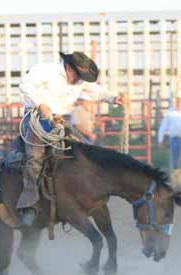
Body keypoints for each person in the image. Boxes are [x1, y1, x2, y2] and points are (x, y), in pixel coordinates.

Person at [17, 51, 124, 226]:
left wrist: (113, 98)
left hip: (58, 121)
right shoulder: (47, 70)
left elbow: (96, 91)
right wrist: (41, 104)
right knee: (35, 157)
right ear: (69, 68)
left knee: (86, 150)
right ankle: (28, 205)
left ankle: (84, 195)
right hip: (36, 117)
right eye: (78, 75)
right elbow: (25, 84)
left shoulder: (79, 81)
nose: (80, 79)